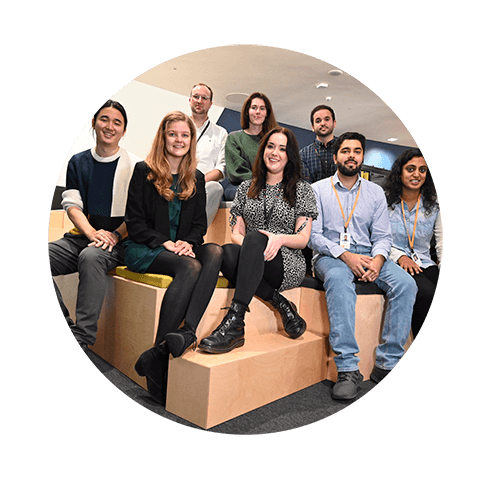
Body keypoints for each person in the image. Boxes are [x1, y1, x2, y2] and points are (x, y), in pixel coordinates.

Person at [309, 132, 418, 400]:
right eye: (345, 151)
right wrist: (346, 256)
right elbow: (314, 236)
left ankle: (387, 363)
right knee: (338, 281)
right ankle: (347, 368)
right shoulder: (318, 190)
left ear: (362, 156)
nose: (351, 156)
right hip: (331, 256)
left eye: (357, 151)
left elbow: (383, 236)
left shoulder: (375, 192)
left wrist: (379, 260)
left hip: (370, 253)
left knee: (406, 284)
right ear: (335, 157)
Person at [124, 111, 223, 404]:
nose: (179, 140)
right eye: (173, 134)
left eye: (185, 135)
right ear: (163, 137)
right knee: (191, 266)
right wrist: (167, 243)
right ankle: (160, 356)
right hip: (146, 247)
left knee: (215, 251)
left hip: (181, 246)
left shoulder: (198, 178)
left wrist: (188, 242)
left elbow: (199, 227)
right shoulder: (144, 171)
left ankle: (185, 332)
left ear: (191, 140)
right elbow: (135, 223)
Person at [199, 127, 318, 354]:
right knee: (226, 252)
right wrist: (252, 249)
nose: (275, 153)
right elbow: (236, 232)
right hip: (254, 254)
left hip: (286, 261)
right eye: (271, 146)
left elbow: (303, 239)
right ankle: (281, 304)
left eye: (282, 149)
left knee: (254, 237)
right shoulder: (246, 187)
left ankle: (235, 321)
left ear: (289, 155)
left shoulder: (302, 189)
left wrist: (278, 239)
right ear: (263, 151)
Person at [49, 100, 141, 351]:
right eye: (104, 119)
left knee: (91, 256)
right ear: (93, 122)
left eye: (117, 122)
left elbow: (138, 215)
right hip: (83, 236)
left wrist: (113, 235)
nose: (109, 126)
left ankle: (83, 337)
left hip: (121, 241)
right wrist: (91, 232)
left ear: (124, 130)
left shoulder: (136, 166)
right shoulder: (78, 162)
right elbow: (72, 205)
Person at [385, 148, 442, 338]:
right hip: (392, 260)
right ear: (399, 172)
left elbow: (441, 242)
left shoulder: (434, 205)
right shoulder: (384, 202)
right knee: (426, 293)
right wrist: (400, 256)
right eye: (410, 169)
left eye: (422, 170)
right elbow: (377, 238)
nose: (417, 174)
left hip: (424, 262)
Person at [222, 92, 278, 200]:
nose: (258, 112)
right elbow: (236, 173)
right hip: (239, 186)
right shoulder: (234, 138)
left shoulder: (273, 140)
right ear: (247, 111)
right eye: (254, 107)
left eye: (262, 108)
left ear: (267, 113)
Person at [189, 83, 228, 226]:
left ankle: (195, 236)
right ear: (190, 100)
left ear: (210, 104)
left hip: (204, 186)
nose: (199, 101)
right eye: (196, 97)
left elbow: (222, 167)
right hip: (176, 182)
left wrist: (197, 182)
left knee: (215, 188)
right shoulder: (178, 127)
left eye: (204, 98)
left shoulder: (221, 133)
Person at [300, 105, 337, 183]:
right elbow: (305, 186)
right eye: (318, 121)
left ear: (334, 123)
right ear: (313, 127)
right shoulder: (303, 154)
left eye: (327, 119)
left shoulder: (345, 150)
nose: (323, 123)